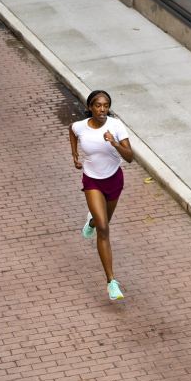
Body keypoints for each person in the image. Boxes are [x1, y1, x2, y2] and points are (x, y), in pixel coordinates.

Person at [69, 90, 133, 300]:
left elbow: (130, 157)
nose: (102, 109)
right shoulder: (80, 126)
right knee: (104, 229)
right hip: (92, 180)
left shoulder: (115, 126)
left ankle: (92, 222)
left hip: (114, 179)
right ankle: (111, 282)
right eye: (98, 105)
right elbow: (71, 131)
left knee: (103, 221)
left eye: (106, 105)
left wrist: (114, 143)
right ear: (90, 107)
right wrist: (75, 155)